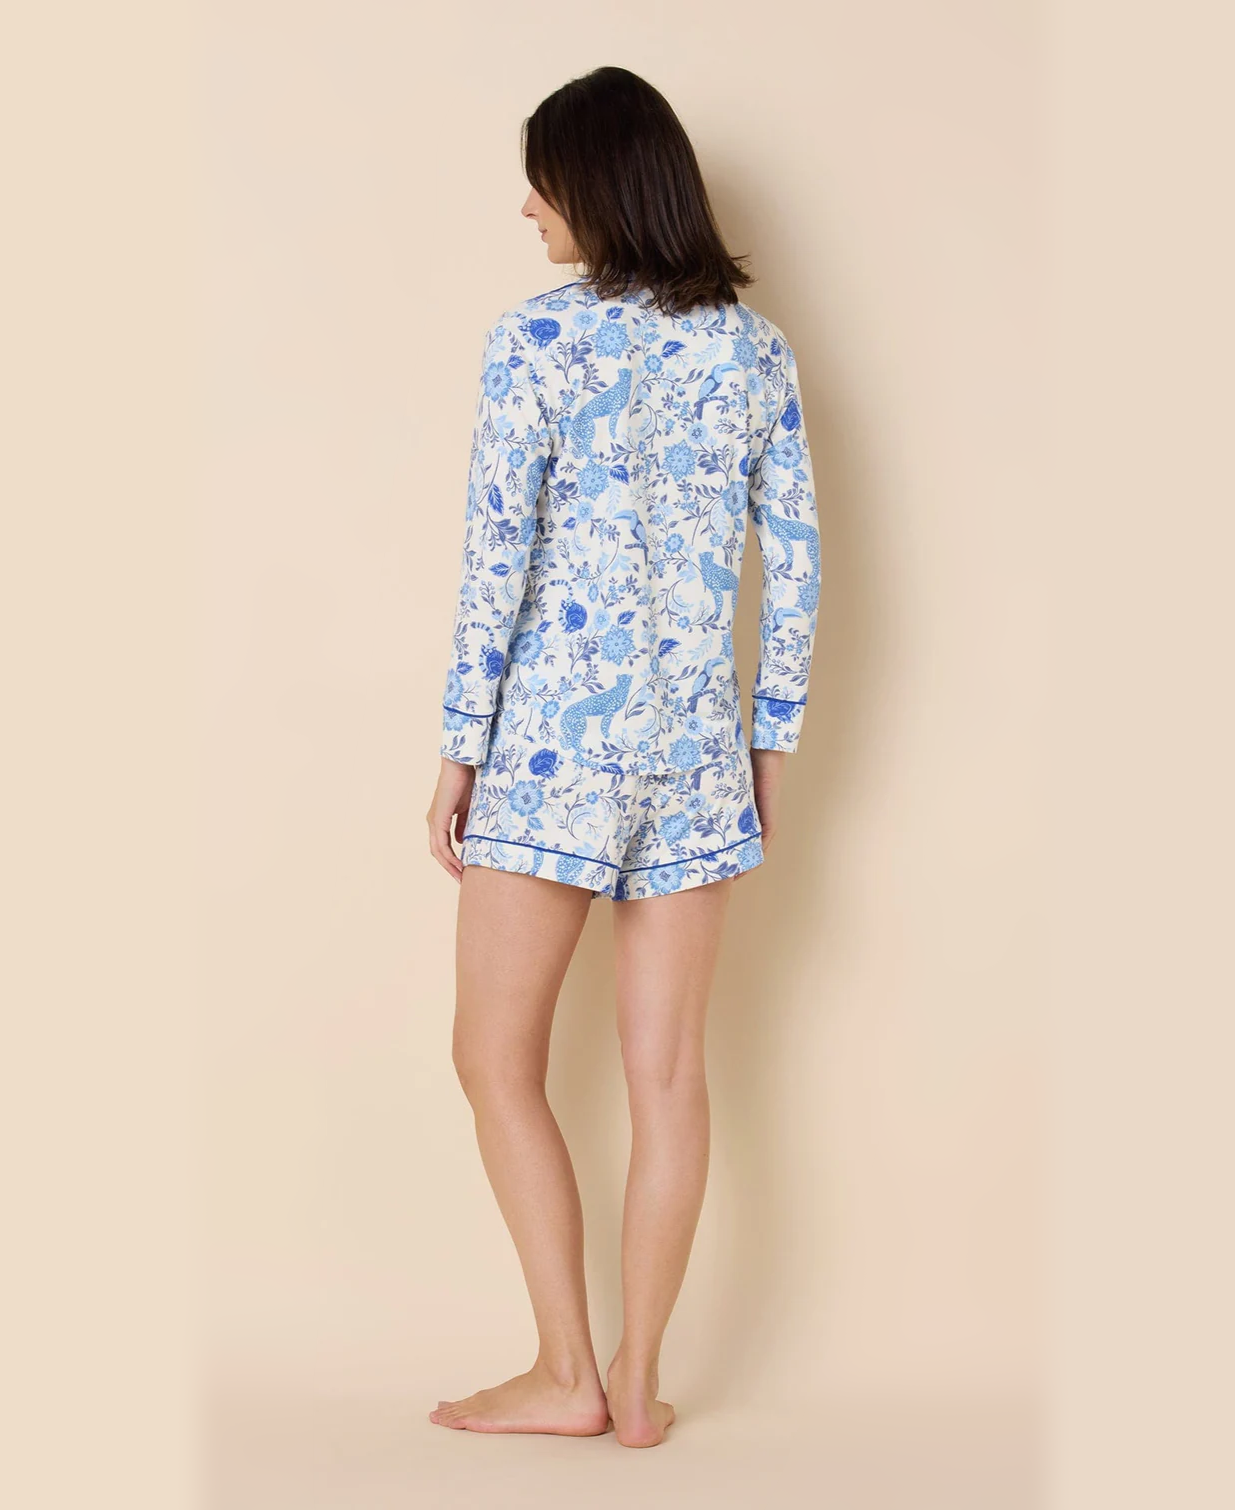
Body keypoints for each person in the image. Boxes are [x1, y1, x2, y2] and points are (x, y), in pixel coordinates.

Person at [425, 66, 821, 1448]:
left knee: (494, 1059)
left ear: (593, 183)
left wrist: (459, 749)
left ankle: (565, 1371)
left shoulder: (534, 341)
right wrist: (769, 742)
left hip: (551, 746)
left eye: (540, 180)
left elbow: (498, 563)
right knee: (668, 1077)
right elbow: (799, 565)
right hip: (697, 753)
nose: (527, 206)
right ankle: (639, 1383)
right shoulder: (754, 352)